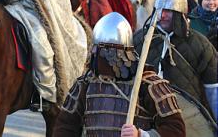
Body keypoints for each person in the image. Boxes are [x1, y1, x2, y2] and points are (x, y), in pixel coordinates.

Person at [53, 12, 186, 137]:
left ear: (114, 53)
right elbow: (65, 127)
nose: (93, 54)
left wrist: (141, 135)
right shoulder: (85, 84)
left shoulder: (148, 84)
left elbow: (176, 130)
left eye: (99, 49)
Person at [134, 0, 218, 130]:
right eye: (159, 9)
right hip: (146, 115)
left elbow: (213, 90)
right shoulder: (140, 40)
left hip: (188, 117)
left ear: (179, 13)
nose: (162, 15)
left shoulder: (200, 44)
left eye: (168, 10)